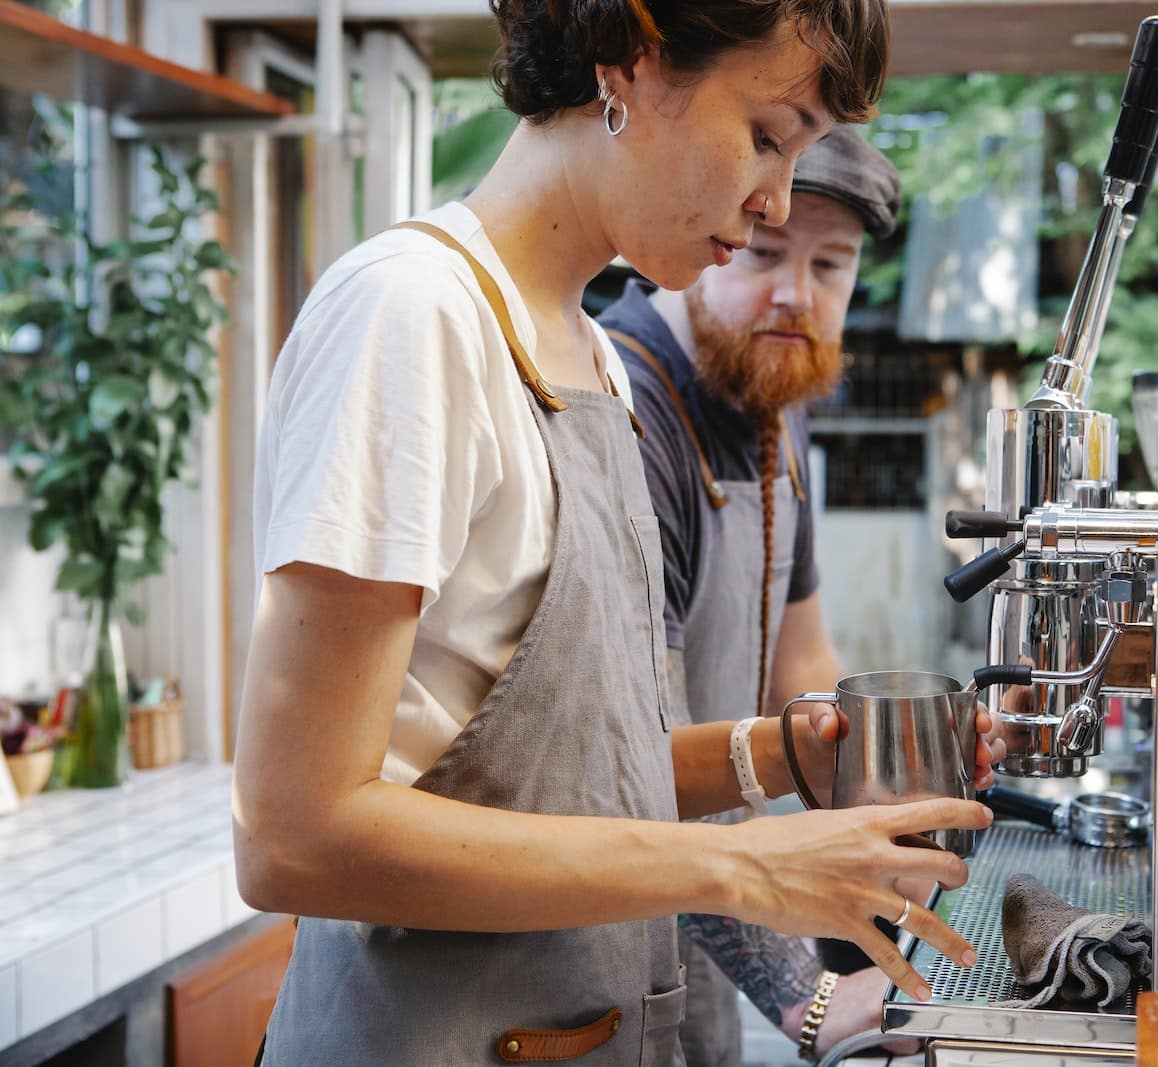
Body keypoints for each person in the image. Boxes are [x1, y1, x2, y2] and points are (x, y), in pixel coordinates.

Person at [233, 2, 1000, 1065]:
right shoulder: (411, 315)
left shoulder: (590, 359)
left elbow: (568, 773)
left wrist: (780, 754)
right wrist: (739, 867)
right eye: (769, 135)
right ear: (630, 67)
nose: (774, 196)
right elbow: (293, 837)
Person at [600, 125, 945, 1065]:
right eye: (766, 253)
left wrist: (916, 765)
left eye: (831, 265)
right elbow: (636, 774)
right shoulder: (627, 414)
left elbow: (801, 672)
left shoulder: (770, 398)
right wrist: (810, 992)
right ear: (709, 237)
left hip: (709, 923)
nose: (799, 294)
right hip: (606, 934)